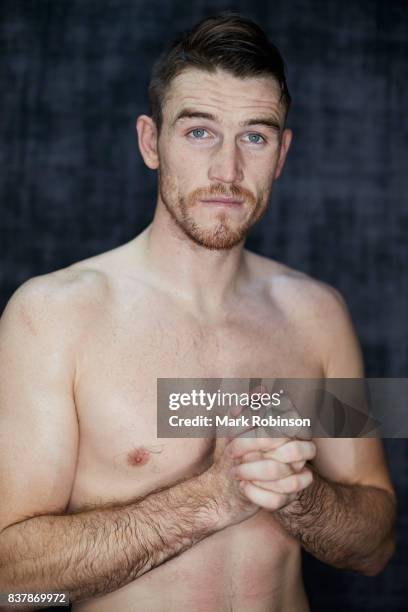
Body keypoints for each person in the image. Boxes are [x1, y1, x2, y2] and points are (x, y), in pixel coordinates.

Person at [0, 12, 396, 612]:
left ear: (282, 153)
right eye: (199, 132)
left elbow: (376, 548)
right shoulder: (54, 317)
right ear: (150, 141)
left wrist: (299, 497)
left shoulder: (316, 315)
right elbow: (12, 586)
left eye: (255, 137)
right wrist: (213, 498)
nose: (227, 171)